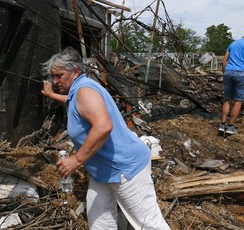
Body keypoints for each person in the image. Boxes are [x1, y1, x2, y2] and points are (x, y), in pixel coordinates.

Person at [41, 47, 170, 230]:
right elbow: (75, 103)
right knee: (100, 221)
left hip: (124, 168)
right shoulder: (78, 90)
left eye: (59, 76)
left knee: (149, 224)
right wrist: (52, 95)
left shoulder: (85, 90)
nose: (55, 81)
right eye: (53, 77)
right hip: (103, 170)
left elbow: (103, 127)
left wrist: (76, 160)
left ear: (75, 71)